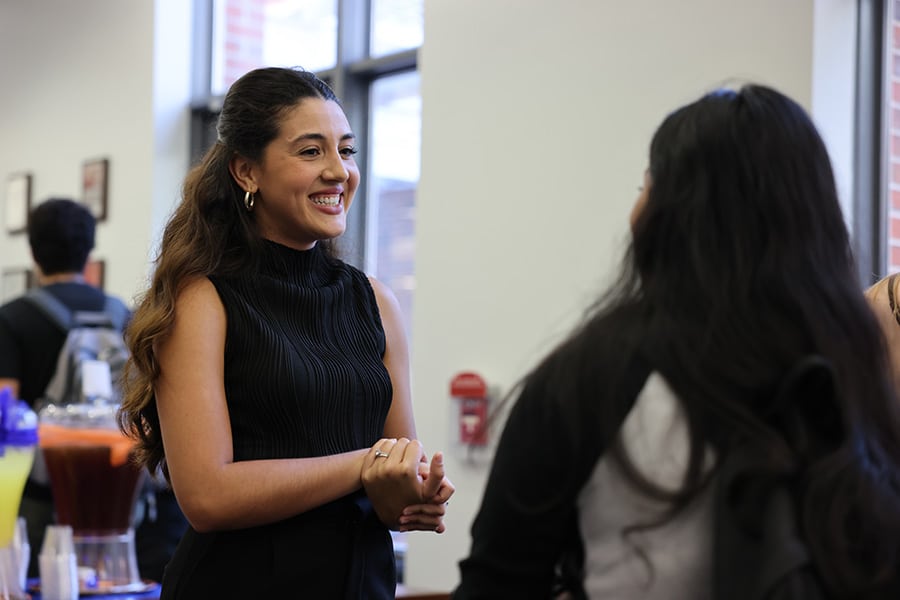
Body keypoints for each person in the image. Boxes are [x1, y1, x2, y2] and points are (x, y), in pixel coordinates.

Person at [452, 84, 900, 599]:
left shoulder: (589, 379)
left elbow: (495, 585)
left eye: (646, 186)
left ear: (669, 217)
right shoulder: (855, 371)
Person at [117, 66, 454, 599]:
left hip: (359, 584)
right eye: (311, 151)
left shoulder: (375, 301)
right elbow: (207, 497)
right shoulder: (202, 299)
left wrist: (415, 495)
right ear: (246, 171)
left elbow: (394, 481)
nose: (338, 171)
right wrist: (365, 464)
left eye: (346, 150)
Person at [0, 198, 188, 581]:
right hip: (119, 489)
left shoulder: (12, 318)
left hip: (43, 494)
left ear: (33, 252)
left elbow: (6, 408)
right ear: (88, 251)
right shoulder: (126, 315)